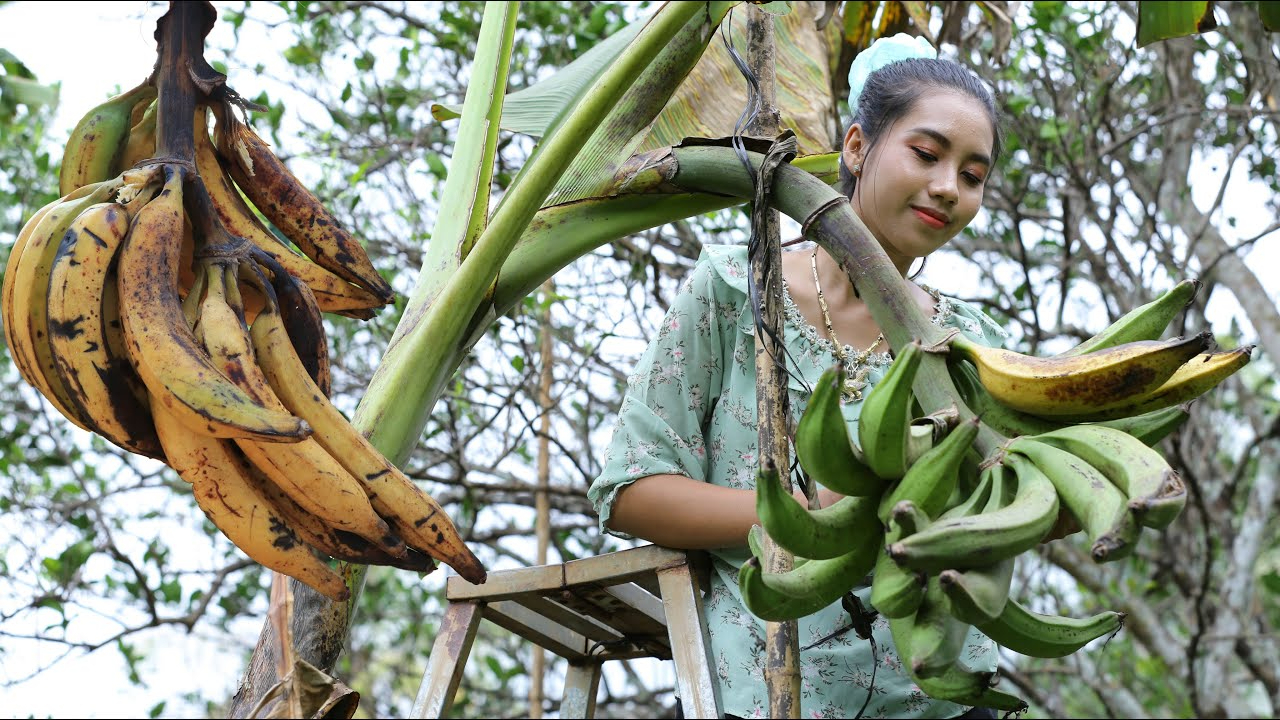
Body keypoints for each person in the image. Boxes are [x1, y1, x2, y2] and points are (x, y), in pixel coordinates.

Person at [588, 33, 1010, 719]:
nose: (947, 188)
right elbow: (631, 492)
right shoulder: (737, 289)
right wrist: (805, 516)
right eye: (927, 155)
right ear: (856, 146)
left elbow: (1006, 501)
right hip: (771, 691)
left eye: (973, 175)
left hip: (946, 697)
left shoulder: (971, 346)